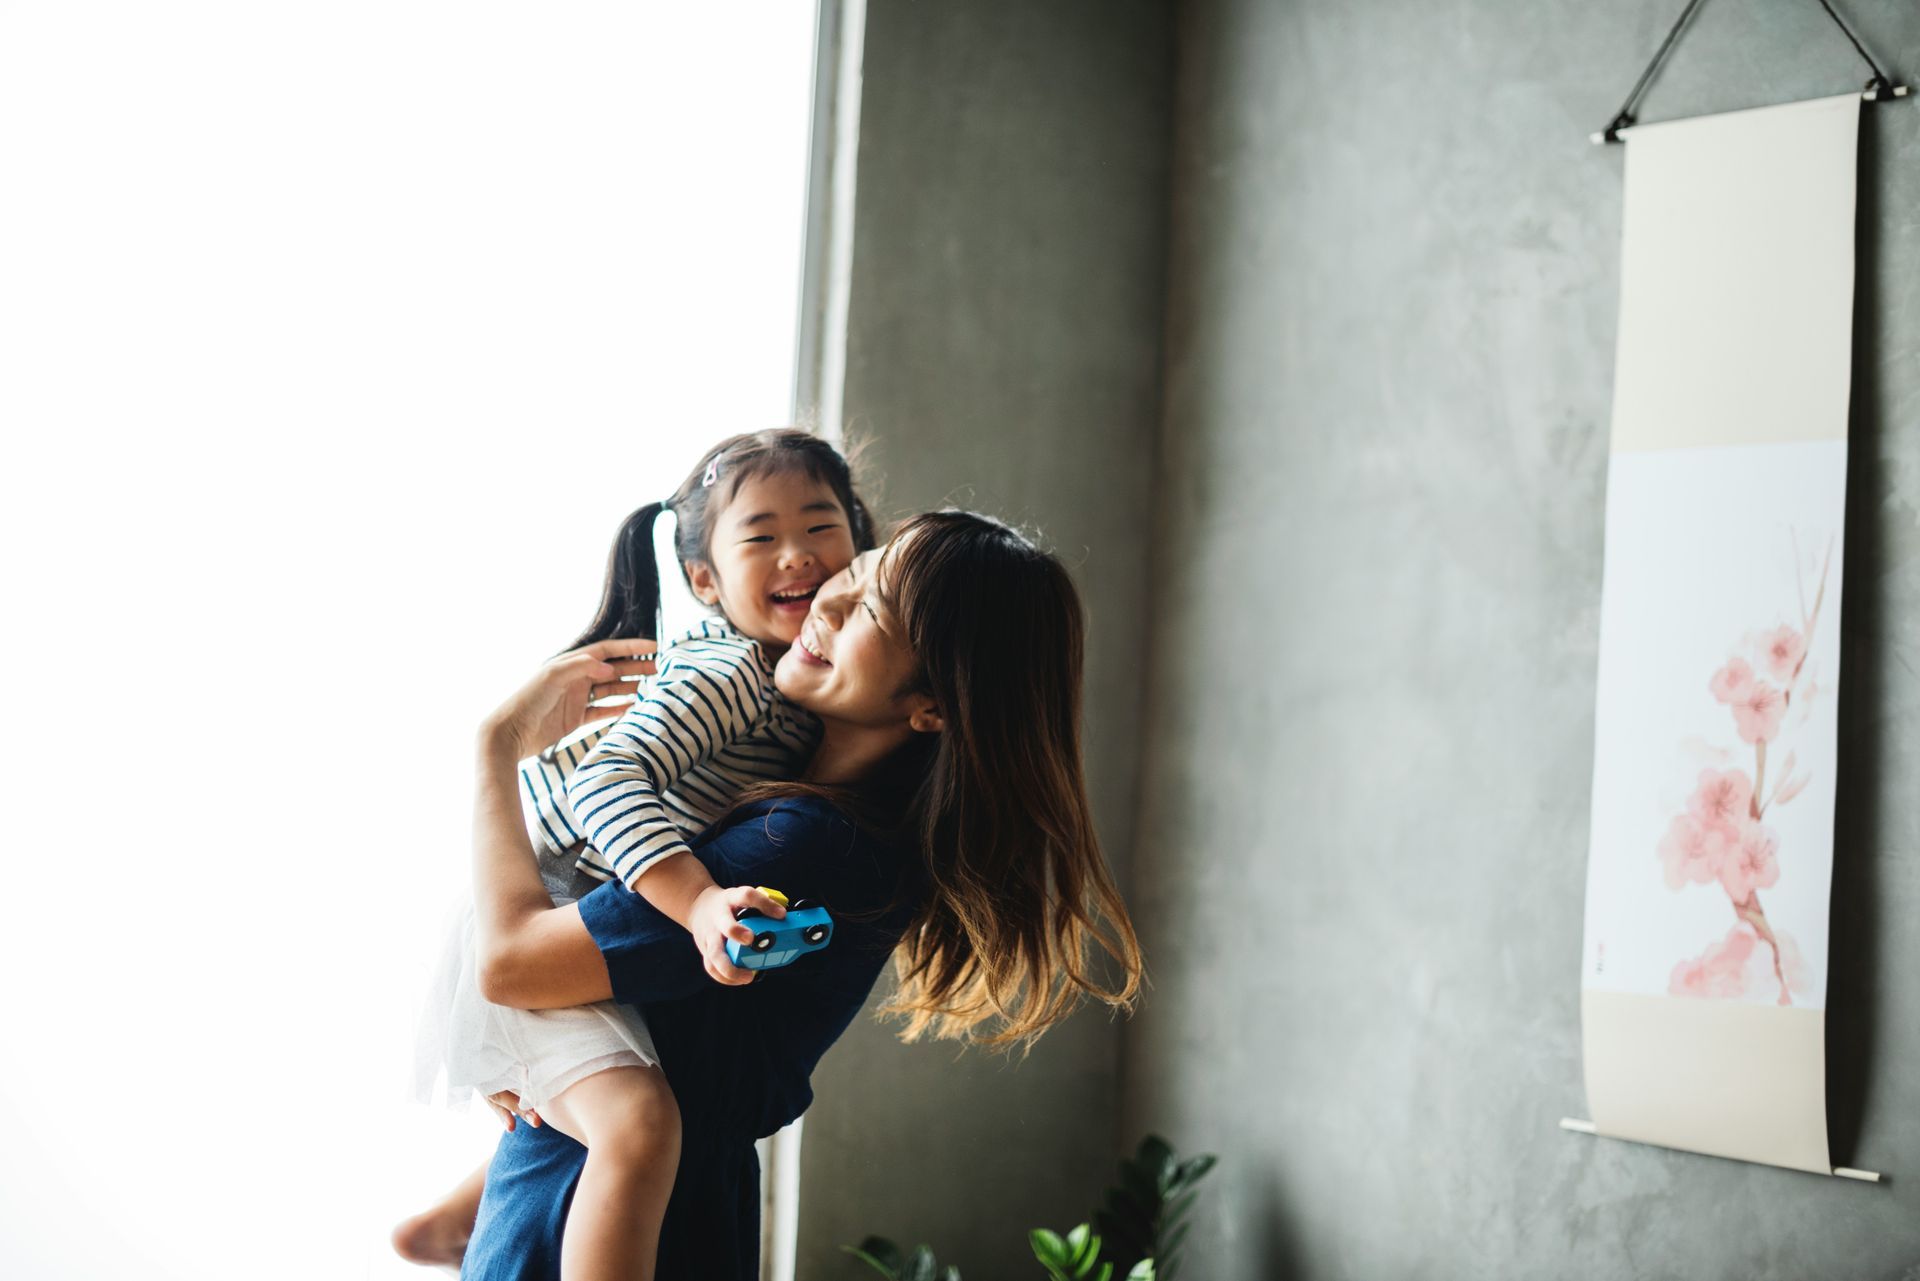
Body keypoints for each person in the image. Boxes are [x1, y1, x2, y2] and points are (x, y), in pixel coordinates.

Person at [445, 511, 1144, 1280]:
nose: (828, 603)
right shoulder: (843, 834)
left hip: (579, 1228)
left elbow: (511, 963)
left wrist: (494, 747)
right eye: (856, 572)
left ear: (935, 707)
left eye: (872, 610)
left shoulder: (803, 843)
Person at [401, 430, 875, 1280]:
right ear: (706, 581)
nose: (798, 554)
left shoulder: (801, 696)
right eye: (760, 536)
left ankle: (447, 1224)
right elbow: (606, 780)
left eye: (822, 525)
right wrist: (696, 902)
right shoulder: (733, 670)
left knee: (610, 1098)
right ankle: (447, 1225)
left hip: (571, 902)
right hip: (544, 896)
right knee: (639, 1128)